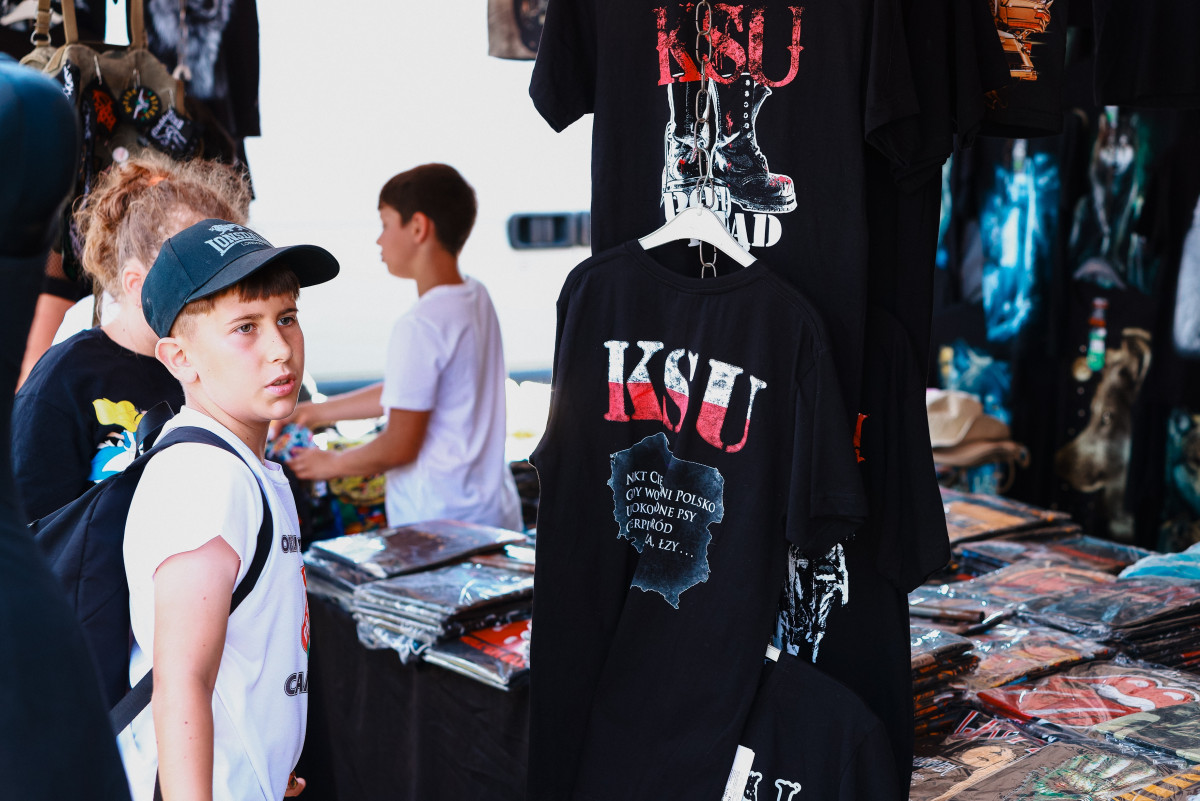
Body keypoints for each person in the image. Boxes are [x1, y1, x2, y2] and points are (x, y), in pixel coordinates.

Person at [117, 218, 339, 800]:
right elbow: (182, 682)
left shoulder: (239, 464)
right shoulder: (205, 476)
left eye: (286, 317)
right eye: (246, 327)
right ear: (180, 358)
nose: (280, 348)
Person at [11, 153, 251, 523]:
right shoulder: (64, 379)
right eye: (199, 274)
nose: (219, 291)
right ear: (137, 284)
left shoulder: (217, 364)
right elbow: (30, 528)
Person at [285, 164, 522, 531]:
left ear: (418, 227)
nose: (379, 240)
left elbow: (399, 446)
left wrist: (330, 464)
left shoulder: (420, 325)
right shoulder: (476, 296)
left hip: (439, 528)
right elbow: (410, 393)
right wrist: (315, 412)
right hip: (493, 512)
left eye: (385, 224)